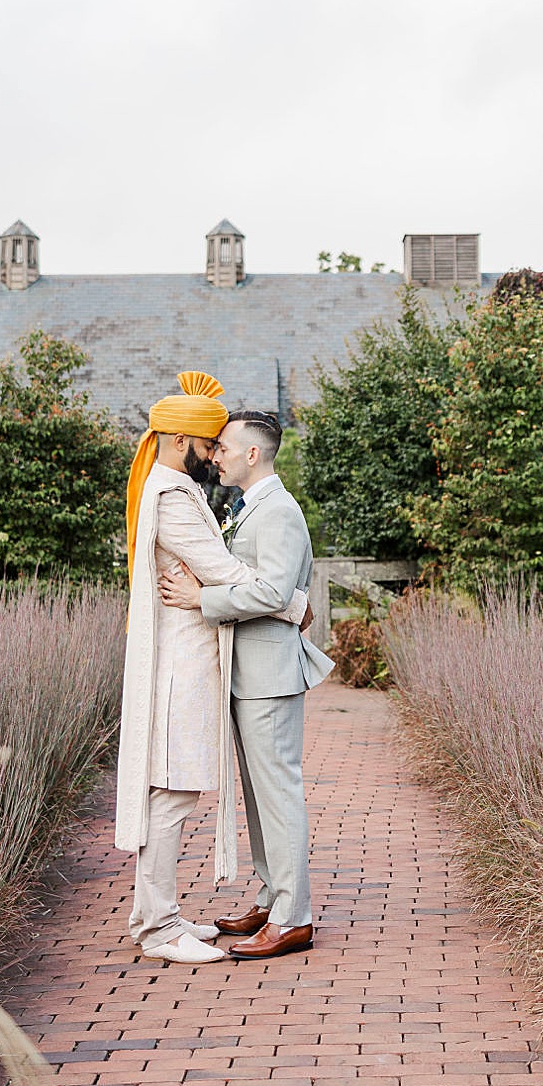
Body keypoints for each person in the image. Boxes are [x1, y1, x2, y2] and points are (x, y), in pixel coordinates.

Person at [117, 373, 309, 964]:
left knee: (224, 791)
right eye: (209, 444)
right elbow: (225, 570)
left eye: (223, 446)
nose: (214, 454)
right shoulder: (172, 496)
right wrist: (296, 603)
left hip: (232, 667)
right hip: (183, 667)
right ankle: (159, 923)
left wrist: (221, 594)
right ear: (183, 442)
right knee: (171, 792)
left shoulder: (187, 492)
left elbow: (230, 576)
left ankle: (274, 910)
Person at [158, 409, 332, 960]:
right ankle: (270, 897)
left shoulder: (278, 511)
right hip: (246, 674)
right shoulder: (248, 508)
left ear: (252, 454)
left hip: (269, 677)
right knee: (259, 798)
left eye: (225, 448)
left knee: (278, 797)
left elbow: (274, 593)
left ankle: (292, 918)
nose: (216, 455)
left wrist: (199, 599)